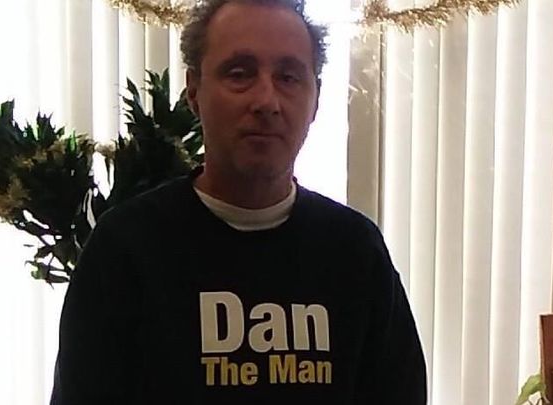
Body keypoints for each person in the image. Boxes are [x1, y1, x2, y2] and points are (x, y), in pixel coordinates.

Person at [50, 0, 427, 403]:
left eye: (288, 77)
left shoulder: (355, 251)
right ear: (194, 91)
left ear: (315, 98)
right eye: (240, 74)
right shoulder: (125, 248)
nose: (266, 101)